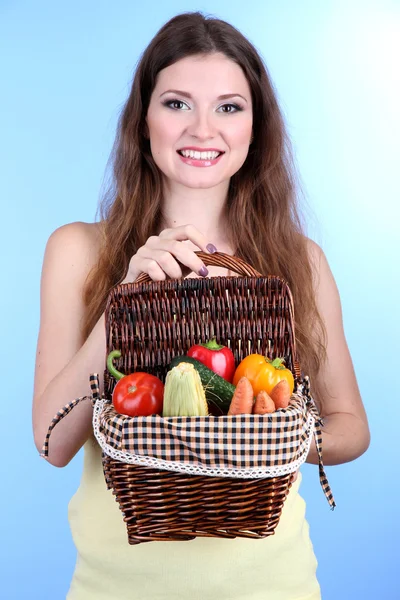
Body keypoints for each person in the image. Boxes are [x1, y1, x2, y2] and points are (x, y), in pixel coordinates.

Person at [32, 11, 370, 600]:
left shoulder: (300, 261)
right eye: (177, 103)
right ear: (143, 121)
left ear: (255, 129)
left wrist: (263, 436)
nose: (203, 129)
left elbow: (350, 430)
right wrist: (123, 306)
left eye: (230, 107)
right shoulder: (78, 251)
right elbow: (50, 444)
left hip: (275, 585)